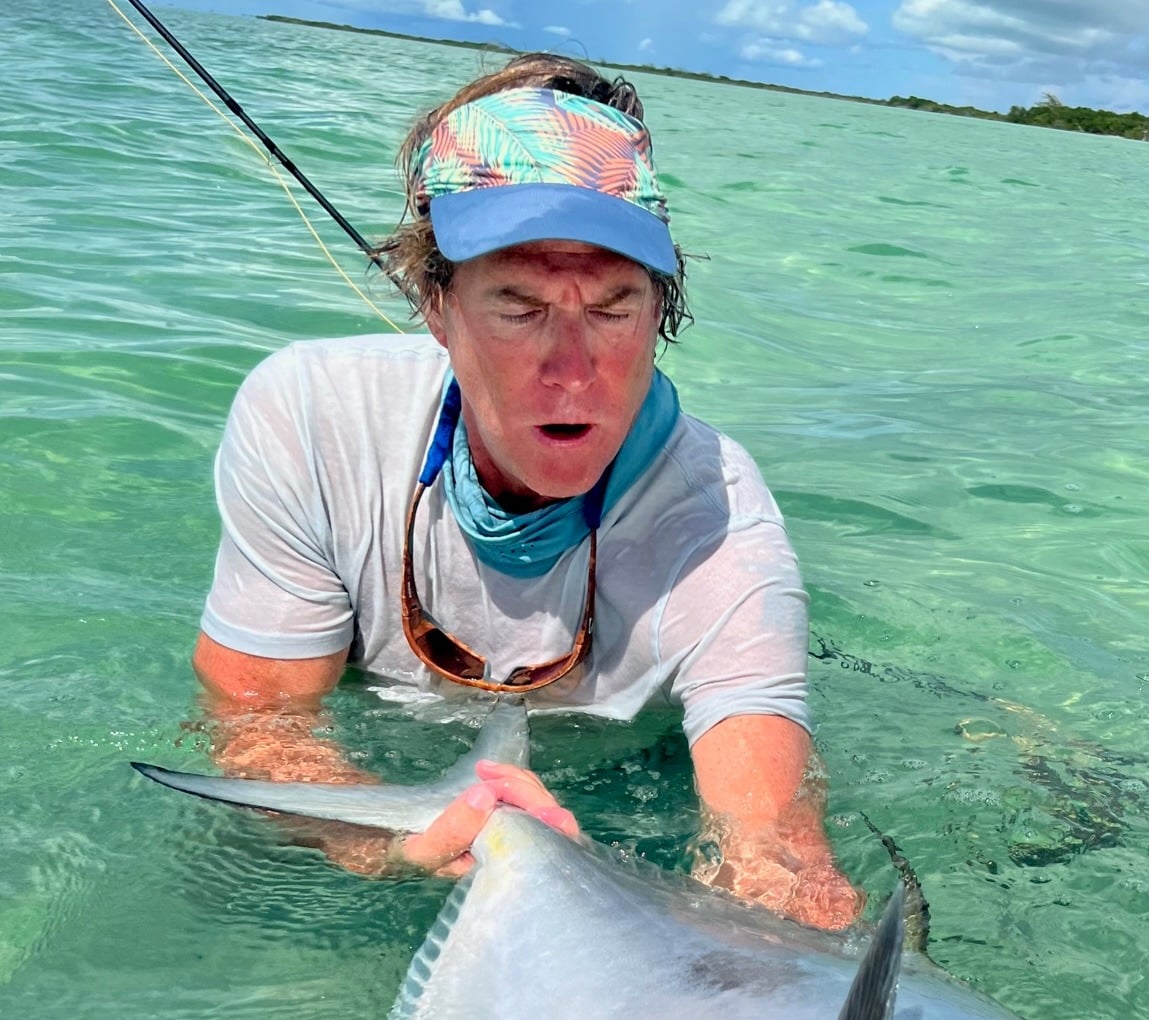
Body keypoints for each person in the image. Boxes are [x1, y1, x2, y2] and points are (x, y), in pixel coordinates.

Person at [194, 52, 862, 928]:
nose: (573, 371)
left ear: (661, 312)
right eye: (518, 307)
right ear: (436, 304)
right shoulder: (311, 414)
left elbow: (773, 847)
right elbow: (257, 721)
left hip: (630, 773)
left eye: (616, 308)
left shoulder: (719, 519)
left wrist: (781, 906)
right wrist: (388, 842)